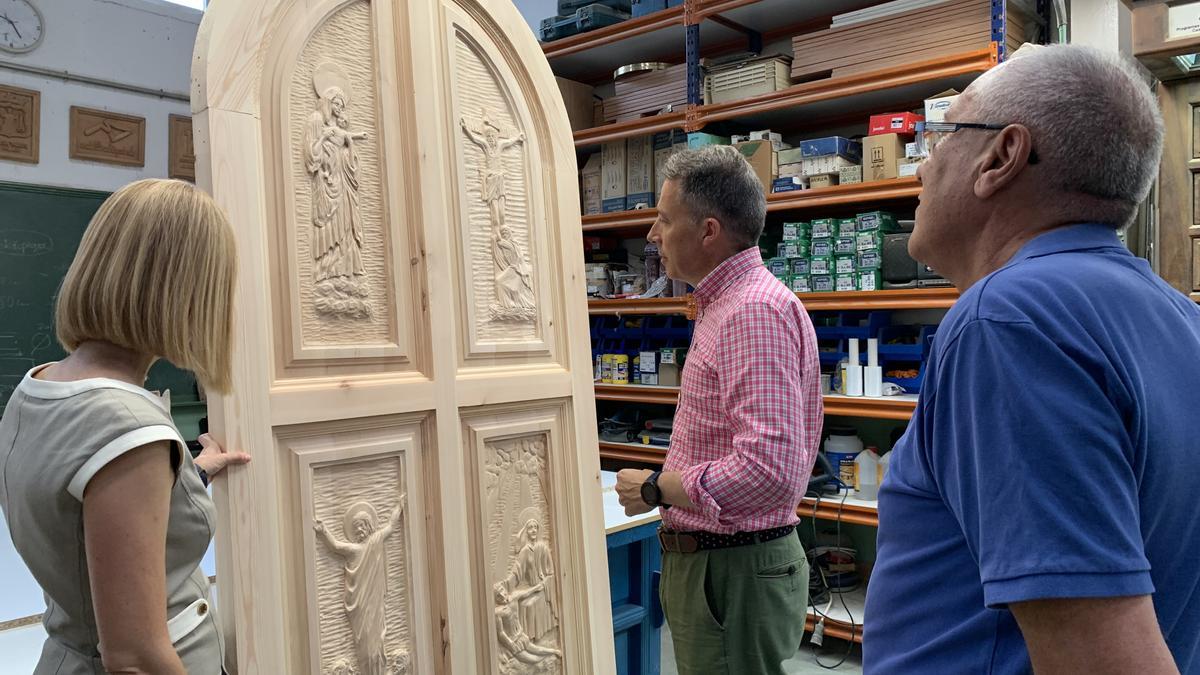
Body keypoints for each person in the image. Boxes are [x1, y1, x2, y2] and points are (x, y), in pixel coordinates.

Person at [865, 44, 1200, 674]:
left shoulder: (1009, 321)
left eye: (939, 137)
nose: (919, 169)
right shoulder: (1181, 318)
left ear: (1000, 157)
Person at [0, 178, 249, 674]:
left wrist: (190, 475)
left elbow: (82, 517)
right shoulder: (126, 429)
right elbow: (135, 659)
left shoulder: (37, 387)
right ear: (188, 293)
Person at [615, 145, 822, 675]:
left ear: (708, 231)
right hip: (723, 566)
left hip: (732, 569)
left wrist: (656, 486)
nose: (652, 235)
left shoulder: (751, 312)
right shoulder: (728, 306)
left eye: (663, 219)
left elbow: (767, 471)